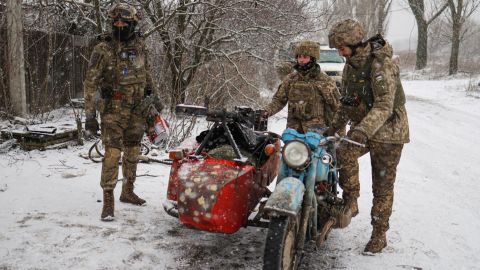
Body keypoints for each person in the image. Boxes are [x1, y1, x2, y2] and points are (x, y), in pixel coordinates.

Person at [325, 19, 410, 253]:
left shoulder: (380, 64)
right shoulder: (350, 65)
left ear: (354, 44)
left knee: (382, 186)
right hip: (365, 127)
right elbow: (347, 101)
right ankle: (351, 200)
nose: (339, 53)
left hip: (390, 131)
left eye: (341, 48)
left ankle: (379, 234)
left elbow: (384, 105)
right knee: (343, 151)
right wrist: (334, 127)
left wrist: (361, 130)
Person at [83, 3, 163, 221]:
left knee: (133, 151)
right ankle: (108, 198)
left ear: (132, 24)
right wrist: (89, 116)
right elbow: (90, 83)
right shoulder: (103, 49)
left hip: (138, 109)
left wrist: (155, 98)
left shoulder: (140, 45)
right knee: (112, 153)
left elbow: (147, 75)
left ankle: (128, 190)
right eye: (115, 22)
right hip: (113, 111)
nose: (119, 25)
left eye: (124, 22)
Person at [263, 40, 340, 133]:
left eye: (305, 57)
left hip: (316, 133)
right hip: (293, 131)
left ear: (313, 58)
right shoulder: (290, 79)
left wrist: (339, 134)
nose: (301, 60)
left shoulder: (325, 81)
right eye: (299, 57)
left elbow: (337, 108)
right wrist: (266, 112)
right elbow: (278, 101)